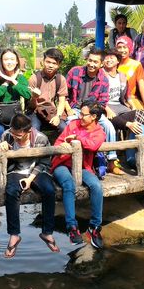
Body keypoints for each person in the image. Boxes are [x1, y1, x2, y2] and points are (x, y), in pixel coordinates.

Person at [0, 114, 59, 257]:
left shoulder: (41, 138)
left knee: (49, 190)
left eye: (19, 135)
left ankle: (47, 232)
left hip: (36, 170)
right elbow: (0, 160)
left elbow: (45, 162)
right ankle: (14, 234)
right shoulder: (7, 135)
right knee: (11, 191)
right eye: (13, 133)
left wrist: (30, 179)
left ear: (28, 131)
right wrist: (2, 148)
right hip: (15, 170)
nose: (15, 137)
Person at [51, 99, 106, 249]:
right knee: (69, 185)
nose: (79, 117)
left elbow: (93, 145)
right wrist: (63, 146)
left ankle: (94, 227)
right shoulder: (72, 125)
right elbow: (57, 144)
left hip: (83, 167)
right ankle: (72, 227)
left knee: (96, 186)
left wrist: (77, 138)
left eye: (83, 114)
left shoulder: (99, 132)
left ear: (93, 117)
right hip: (62, 164)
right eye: (80, 113)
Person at [66, 48, 124, 175]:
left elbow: (102, 102)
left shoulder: (104, 79)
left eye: (95, 62)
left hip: (93, 112)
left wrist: (92, 115)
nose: (91, 64)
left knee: (109, 126)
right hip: (75, 109)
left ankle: (112, 161)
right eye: (90, 60)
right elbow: (64, 94)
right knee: (70, 123)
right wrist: (68, 109)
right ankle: (70, 160)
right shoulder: (75, 72)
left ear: (101, 64)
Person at [0, 48, 31, 149]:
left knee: (20, 130)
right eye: (6, 59)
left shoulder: (21, 78)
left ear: (17, 62)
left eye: (12, 59)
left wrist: (14, 81)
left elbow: (27, 94)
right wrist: (7, 82)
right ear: (1, 62)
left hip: (15, 117)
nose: (9, 62)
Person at [27, 48, 68, 132]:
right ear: (43, 61)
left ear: (59, 65)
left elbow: (61, 101)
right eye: (48, 62)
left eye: (54, 63)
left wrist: (58, 116)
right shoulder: (34, 78)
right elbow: (30, 106)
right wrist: (34, 97)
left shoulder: (60, 79)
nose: (50, 66)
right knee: (35, 129)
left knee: (63, 128)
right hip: (35, 111)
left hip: (51, 110)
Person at [115, 36, 144, 110]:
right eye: (119, 47)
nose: (122, 50)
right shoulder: (113, 64)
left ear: (130, 48)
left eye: (125, 47)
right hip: (115, 100)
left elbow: (142, 86)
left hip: (132, 99)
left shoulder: (136, 65)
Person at [102, 49, 132, 120]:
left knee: (135, 116)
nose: (108, 60)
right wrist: (108, 110)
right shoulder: (100, 74)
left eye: (111, 58)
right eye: (106, 58)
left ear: (118, 61)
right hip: (105, 106)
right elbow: (97, 97)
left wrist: (133, 107)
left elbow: (128, 95)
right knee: (119, 121)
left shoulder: (122, 76)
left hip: (119, 105)